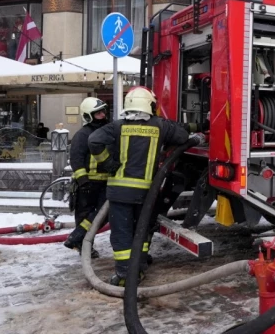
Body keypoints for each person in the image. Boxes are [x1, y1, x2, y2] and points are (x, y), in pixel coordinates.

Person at [88, 87, 206, 286]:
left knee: (122, 232)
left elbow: (94, 140)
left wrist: (107, 163)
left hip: (119, 191)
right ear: (149, 105)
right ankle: (139, 265)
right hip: (146, 192)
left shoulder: (117, 127)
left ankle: (126, 274)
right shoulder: (159, 125)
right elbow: (181, 136)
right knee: (141, 228)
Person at [62, 98, 111, 257]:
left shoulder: (107, 131)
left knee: (101, 215)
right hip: (88, 183)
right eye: (98, 113)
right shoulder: (83, 135)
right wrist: (83, 181)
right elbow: (76, 159)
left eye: (103, 111)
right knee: (84, 215)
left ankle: (77, 237)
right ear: (89, 116)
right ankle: (84, 248)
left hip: (104, 182)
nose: (103, 115)